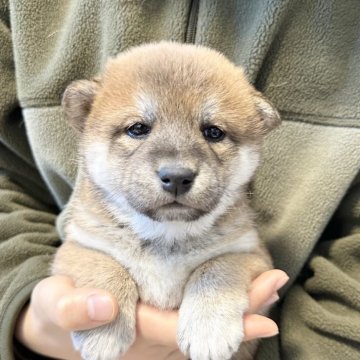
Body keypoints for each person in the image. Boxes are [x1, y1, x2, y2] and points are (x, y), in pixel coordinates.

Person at [0, 1, 359, 359]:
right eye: (137, 129)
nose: (177, 169)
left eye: (214, 133)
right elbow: (73, 252)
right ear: (84, 116)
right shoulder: (92, 225)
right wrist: (26, 317)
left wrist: (220, 283)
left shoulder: (234, 230)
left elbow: (249, 260)